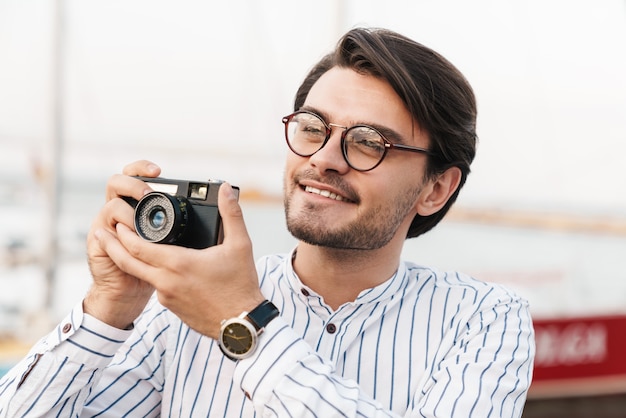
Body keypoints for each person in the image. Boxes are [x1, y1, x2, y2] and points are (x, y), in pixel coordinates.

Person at [0, 27, 534, 417]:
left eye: (368, 142)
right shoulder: (176, 312)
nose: (325, 157)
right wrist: (107, 310)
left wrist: (244, 324)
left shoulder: (485, 320)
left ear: (436, 188)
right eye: (311, 127)